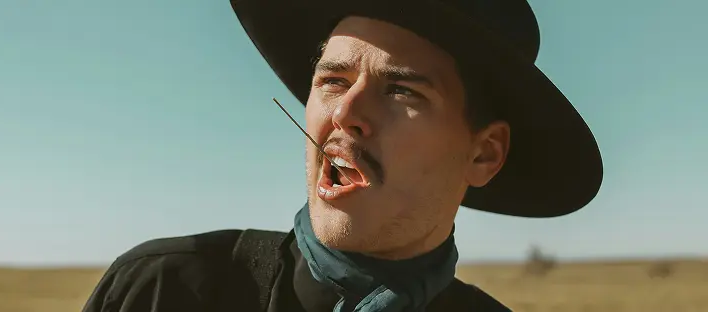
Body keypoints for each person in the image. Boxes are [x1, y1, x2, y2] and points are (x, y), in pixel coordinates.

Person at [81, 0, 603, 311]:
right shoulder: (164, 291)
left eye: (403, 91)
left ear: (485, 154)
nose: (346, 112)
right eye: (332, 79)